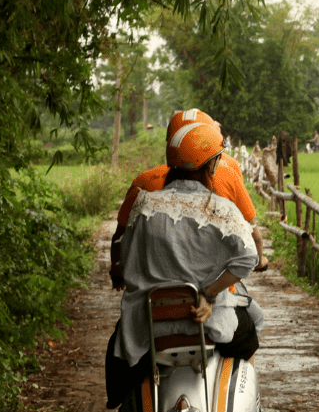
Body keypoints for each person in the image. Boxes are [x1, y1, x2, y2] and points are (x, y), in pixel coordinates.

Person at [104, 122, 263, 409]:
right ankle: (242, 404)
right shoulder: (221, 210)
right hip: (207, 324)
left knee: (116, 347)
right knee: (249, 332)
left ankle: (121, 402)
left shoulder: (144, 205)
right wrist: (210, 294)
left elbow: (127, 259)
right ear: (211, 166)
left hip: (149, 326)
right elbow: (248, 258)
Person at [109, 109, 267, 290]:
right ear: (211, 162)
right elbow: (251, 251)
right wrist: (208, 295)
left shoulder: (143, 197)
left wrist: (118, 272)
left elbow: (123, 244)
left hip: (150, 303)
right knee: (255, 317)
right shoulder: (224, 204)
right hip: (211, 301)